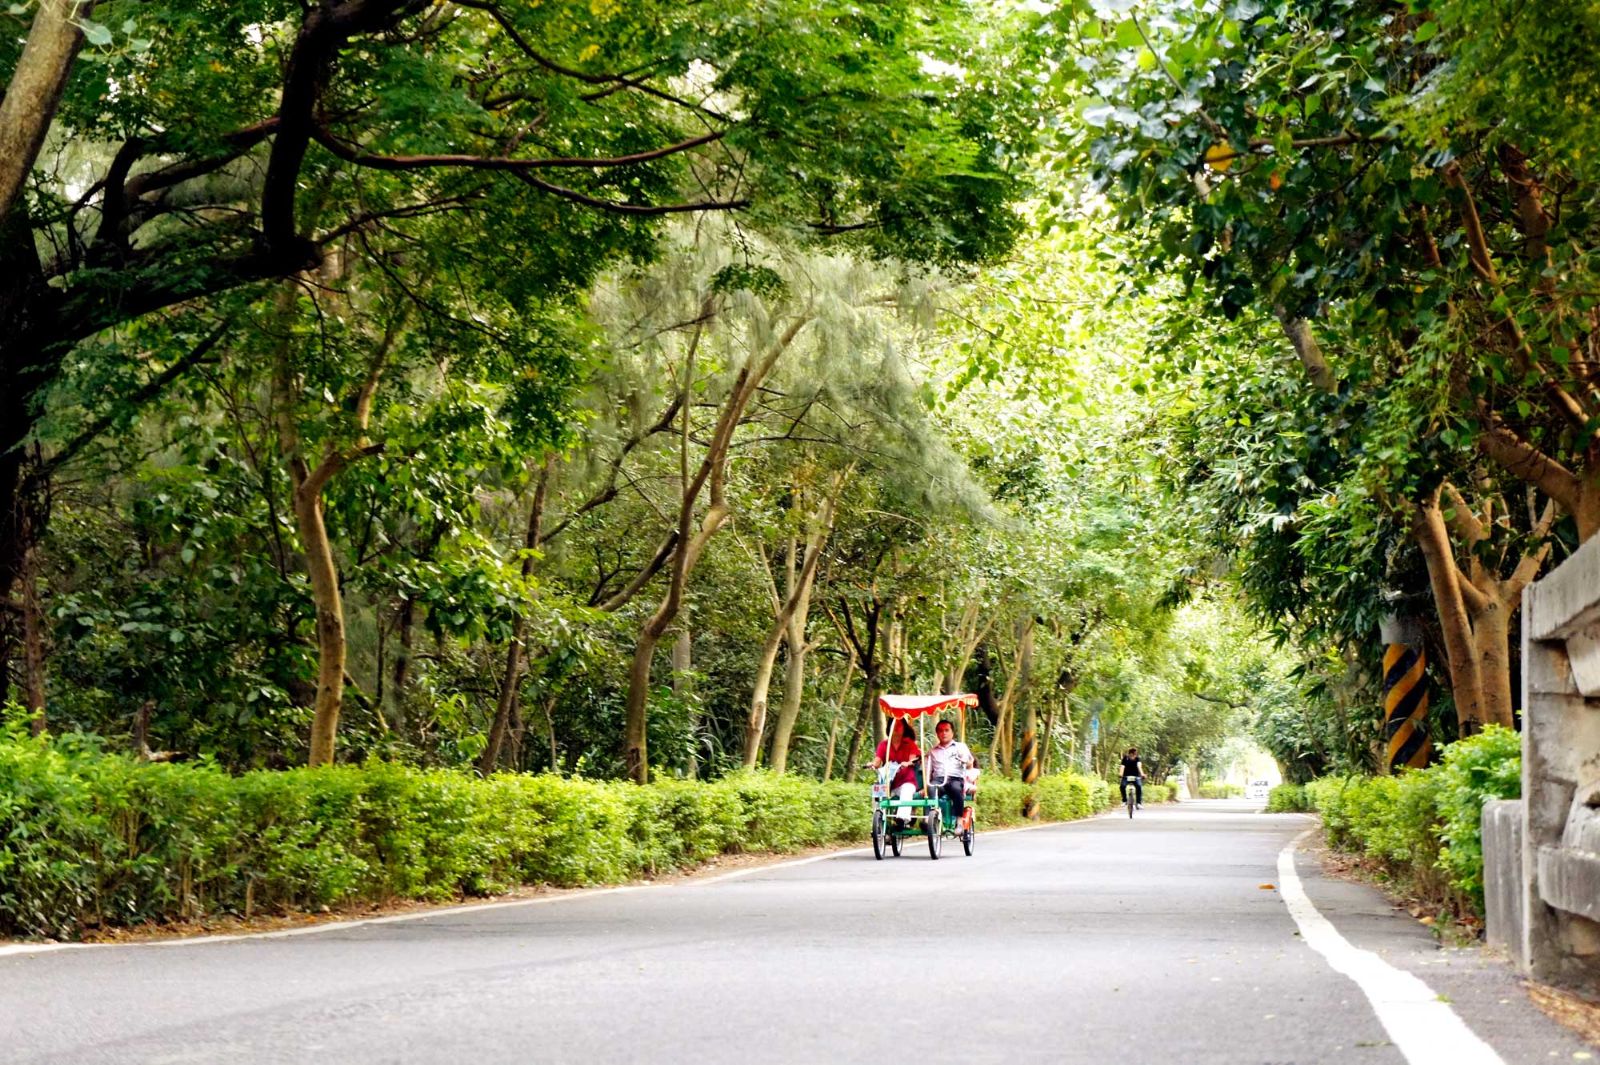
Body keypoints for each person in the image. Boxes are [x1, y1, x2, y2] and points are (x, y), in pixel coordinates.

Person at [873, 717, 921, 827]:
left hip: (906, 780)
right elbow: (878, 760)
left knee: (907, 790)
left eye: (899, 725)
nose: (896, 728)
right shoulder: (884, 745)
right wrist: (872, 764)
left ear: (904, 728)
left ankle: (902, 819)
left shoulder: (909, 744)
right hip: (889, 782)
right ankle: (878, 820)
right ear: (889, 727)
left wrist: (908, 763)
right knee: (877, 789)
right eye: (894, 725)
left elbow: (913, 758)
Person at [927, 719, 976, 825]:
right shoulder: (932, 751)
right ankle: (929, 818)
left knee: (956, 789)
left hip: (955, 778)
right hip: (938, 780)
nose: (943, 733)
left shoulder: (960, 747)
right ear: (937, 734)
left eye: (946, 730)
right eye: (940, 731)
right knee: (931, 788)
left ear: (952, 732)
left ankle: (958, 820)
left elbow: (969, 763)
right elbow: (928, 770)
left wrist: (964, 761)